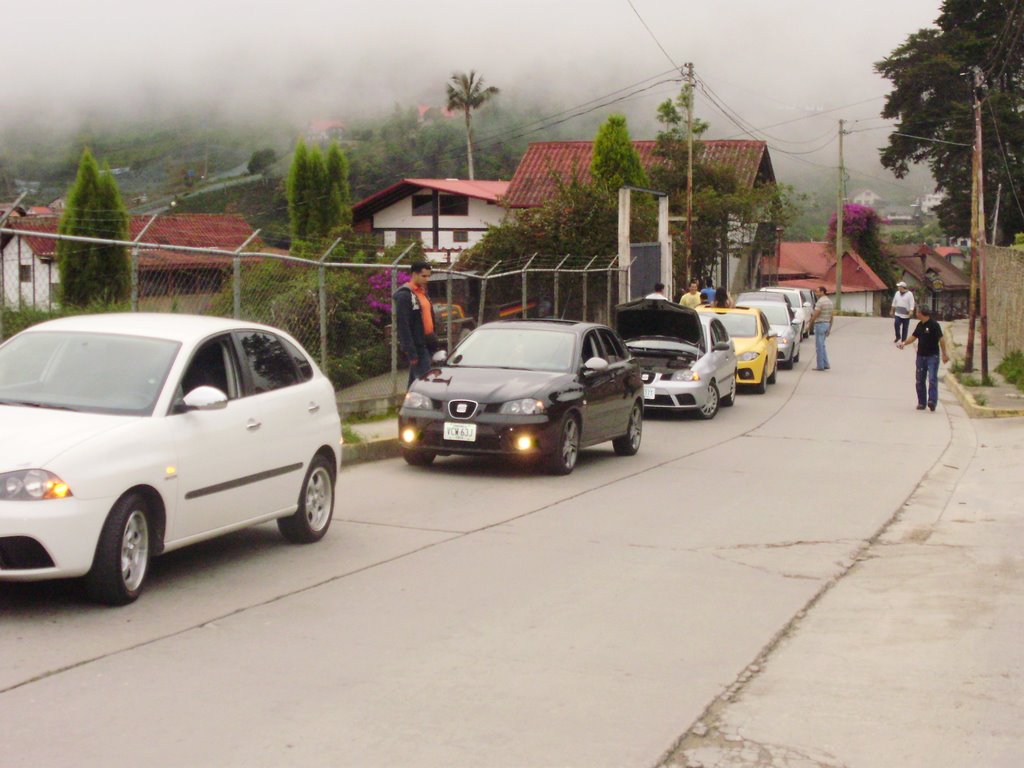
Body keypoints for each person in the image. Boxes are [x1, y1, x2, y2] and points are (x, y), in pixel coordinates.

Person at [897, 305, 950, 411]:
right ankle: (921, 402)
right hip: (921, 356)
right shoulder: (920, 325)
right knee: (920, 379)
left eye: (918, 312)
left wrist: (944, 354)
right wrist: (904, 343)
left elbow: (941, 339)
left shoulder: (934, 325)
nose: (916, 314)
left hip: (932, 356)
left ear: (922, 314)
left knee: (932, 379)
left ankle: (932, 401)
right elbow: (914, 337)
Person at [393, 261, 435, 385]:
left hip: (428, 342)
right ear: (414, 274)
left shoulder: (422, 293)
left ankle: (408, 401)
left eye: (428, 276)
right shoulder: (405, 296)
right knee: (424, 381)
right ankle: (417, 403)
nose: (426, 279)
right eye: (424, 276)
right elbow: (403, 325)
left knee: (415, 381)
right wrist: (410, 351)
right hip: (417, 345)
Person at [808, 285, 833, 370]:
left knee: (819, 346)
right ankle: (826, 363)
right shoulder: (829, 301)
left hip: (820, 324)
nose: (816, 293)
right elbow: (832, 316)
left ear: (822, 292)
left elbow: (816, 313)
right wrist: (829, 328)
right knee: (822, 345)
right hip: (826, 324)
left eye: (817, 291)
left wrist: (810, 323)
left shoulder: (820, 302)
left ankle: (820, 366)